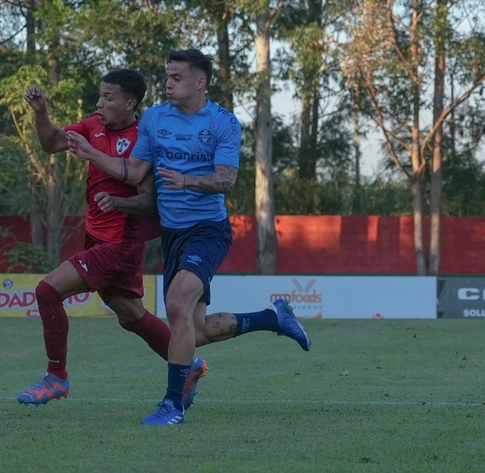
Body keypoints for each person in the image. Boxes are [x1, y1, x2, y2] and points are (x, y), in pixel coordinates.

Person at [66, 49, 312, 426]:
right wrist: (90, 154)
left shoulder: (223, 123)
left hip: (208, 231)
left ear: (200, 82)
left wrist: (188, 181)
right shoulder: (153, 118)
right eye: (166, 75)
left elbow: (225, 180)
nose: (167, 83)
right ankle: (272, 317)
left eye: (176, 77)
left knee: (177, 306)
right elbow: (133, 173)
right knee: (194, 331)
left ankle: (172, 406)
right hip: (173, 235)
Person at [16, 69, 207, 408]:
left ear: (129, 103)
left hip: (121, 243)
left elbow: (150, 199)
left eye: (108, 97)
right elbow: (51, 143)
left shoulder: (146, 137)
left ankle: (56, 377)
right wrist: (41, 112)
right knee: (132, 316)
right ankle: (187, 366)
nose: (99, 103)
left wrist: (117, 198)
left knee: (47, 291)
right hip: (96, 237)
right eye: (100, 96)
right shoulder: (92, 126)